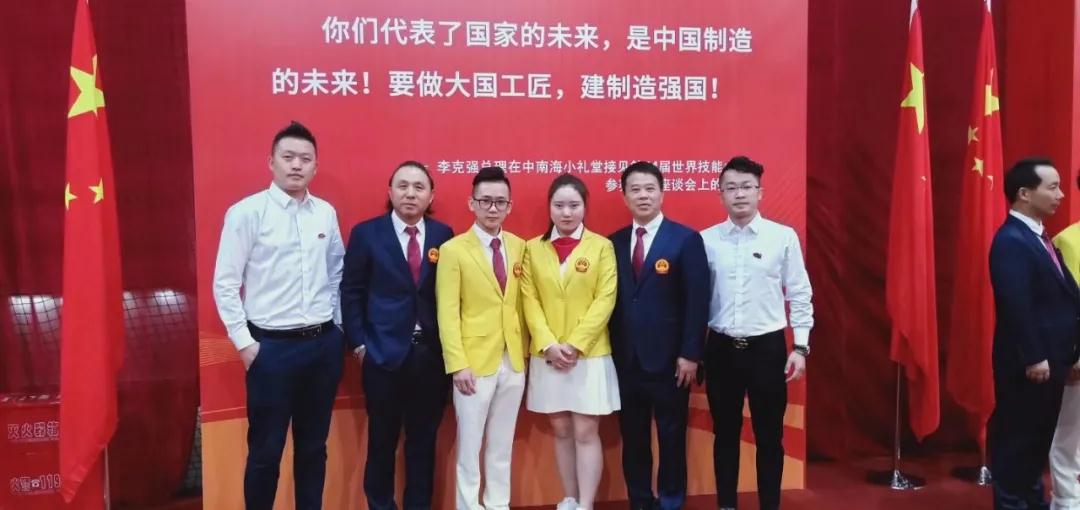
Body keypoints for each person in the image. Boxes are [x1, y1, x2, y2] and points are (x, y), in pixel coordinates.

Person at [212, 121, 345, 510]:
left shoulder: (325, 213)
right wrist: (246, 344)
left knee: (313, 448)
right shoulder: (246, 213)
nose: (296, 165)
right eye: (288, 157)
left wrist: (336, 328)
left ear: (316, 166)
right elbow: (225, 283)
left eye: (305, 159)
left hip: (322, 346)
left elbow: (336, 271)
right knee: (265, 452)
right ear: (271, 162)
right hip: (271, 350)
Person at [700, 156, 813, 510]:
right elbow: (696, 299)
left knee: (769, 436)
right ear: (720, 194)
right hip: (721, 348)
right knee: (724, 434)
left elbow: (800, 293)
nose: (739, 194)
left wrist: (801, 347)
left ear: (760, 192)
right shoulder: (706, 240)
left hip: (767, 349)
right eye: (731, 188)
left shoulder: (782, 237)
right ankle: (726, 504)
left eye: (747, 187)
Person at [341, 161, 453, 510]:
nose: (410, 193)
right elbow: (351, 291)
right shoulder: (366, 234)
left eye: (419, 187)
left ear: (431, 195)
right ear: (390, 192)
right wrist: (360, 345)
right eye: (402, 186)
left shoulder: (444, 235)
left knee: (423, 444)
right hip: (382, 355)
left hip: (430, 358)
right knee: (381, 442)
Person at [608, 161, 710, 510]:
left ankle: (670, 501)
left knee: (671, 436)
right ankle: (639, 500)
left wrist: (690, 354)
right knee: (633, 438)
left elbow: (697, 301)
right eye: (635, 189)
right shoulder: (613, 243)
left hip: (671, 363)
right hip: (626, 360)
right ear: (624, 196)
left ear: (662, 193)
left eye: (650, 188)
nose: (643, 195)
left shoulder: (685, 239)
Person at [521, 174, 620, 510]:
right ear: (549, 207)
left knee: (585, 431)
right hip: (547, 355)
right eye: (559, 205)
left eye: (574, 205)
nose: (566, 212)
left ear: (584, 207)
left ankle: (586, 504)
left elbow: (605, 299)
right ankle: (569, 498)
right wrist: (548, 344)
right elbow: (529, 299)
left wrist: (576, 344)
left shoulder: (602, 247)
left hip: (588, 356)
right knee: (561, 429)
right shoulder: (532, 249)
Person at [989, 157, 1080, 510]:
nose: (1061, 195)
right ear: (1024, 194)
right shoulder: (1011, 240)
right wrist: (1035, 356)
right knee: (1018, 444)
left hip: (1053, 362)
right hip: (1029, 366)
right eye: (1052, 187)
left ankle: (1031, 501)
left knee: (1035, 445)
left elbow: (1068, 296)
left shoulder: (1039, 237)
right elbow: (1017, 304)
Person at [436, 166, 528, 510]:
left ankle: (498, 504)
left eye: (500, 202)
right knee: (470, 447)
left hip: (513, 359)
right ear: (471, 203)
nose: (492, 208)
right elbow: (447, 312)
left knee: (502, 445)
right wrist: (457, 364)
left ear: (509, 206)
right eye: (485, 200)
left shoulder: (519, 246)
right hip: (472, 363)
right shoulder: (453, 250)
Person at [1050, 174, 1080, 510]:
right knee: (1070, 435)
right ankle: (1066, 501)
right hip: (1078, 355)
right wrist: (1073, 355)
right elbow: (1066, 308)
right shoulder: (1067, 241)